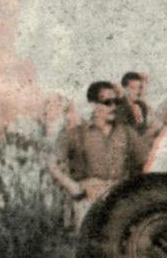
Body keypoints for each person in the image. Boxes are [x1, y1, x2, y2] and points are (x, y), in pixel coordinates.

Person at [47, 81, 146, 226]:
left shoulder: (127, 132)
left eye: (116, 102)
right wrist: (72, 186)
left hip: (120, 202)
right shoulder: (76, 134)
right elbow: (52, 164)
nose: (114, 107)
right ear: (93, 105)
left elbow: (146, 162)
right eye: (107, 102)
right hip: (88, 202)